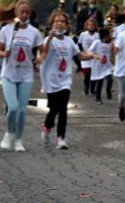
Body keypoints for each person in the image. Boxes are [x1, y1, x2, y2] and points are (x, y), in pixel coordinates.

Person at [38, 11, 96, 149]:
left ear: (67, 25)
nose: (59, 23)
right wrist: (49, 39)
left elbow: (80, 56)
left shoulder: (69, 41)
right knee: (53, 109)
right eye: (56, 21)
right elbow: (43, 53)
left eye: (62, 21)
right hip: (51, 79)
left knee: (63, 108)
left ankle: (61, 138)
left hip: (65, 79)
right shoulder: (48, 40)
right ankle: (46, 126)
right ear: (52, 24)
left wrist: (92, 56)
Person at [0, 0, 44, 152]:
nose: (24, 15)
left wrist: (40, 59)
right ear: (16, 13)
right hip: (9, 74)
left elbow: (43, 50)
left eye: (27, 12)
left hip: (26, 74)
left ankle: (19, 141)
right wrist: (4, 53)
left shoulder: (34, 32)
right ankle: (8, 134)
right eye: (21, 12)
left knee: (22, 110)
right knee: (13, 108)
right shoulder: (7, 30)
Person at [89, 28, 113, 104]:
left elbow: (112, 53)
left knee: (110, 79)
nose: (108, 37)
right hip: (98, 65)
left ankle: (108, 90)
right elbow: (89, 51)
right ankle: (98, 97)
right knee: (100, 82)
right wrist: (95, 56)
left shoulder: (110, 44)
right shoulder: (97, 42)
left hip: (107, 65)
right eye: (106, 36)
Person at [78, 18, 100, 95]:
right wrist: (82, 52)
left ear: (95, 26)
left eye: (92, 25)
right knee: (87, 74)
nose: (91, 26)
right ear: (86, 26)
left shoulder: (97, 35)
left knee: (93, 74)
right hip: (85, 56)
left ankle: (92, 89)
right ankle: (86, 86)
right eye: (89, 25)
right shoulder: (83, 34)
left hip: (94, 57)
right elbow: (80, 43)